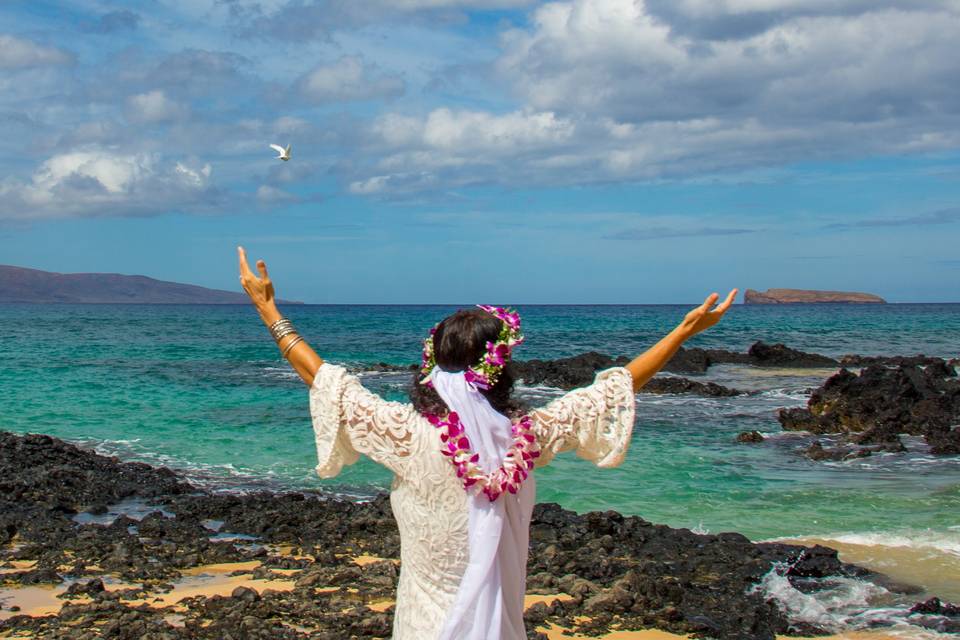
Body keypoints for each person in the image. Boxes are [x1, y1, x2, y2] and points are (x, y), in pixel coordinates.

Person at [238, 246, 737, 640]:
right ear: (501, 368)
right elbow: (613, 389)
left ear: (432, 364)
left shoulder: (407, 434)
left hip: (424, 624)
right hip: (499, 624)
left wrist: (268, 311)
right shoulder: (528, 437)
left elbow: (325, 380)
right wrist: (684, 331)